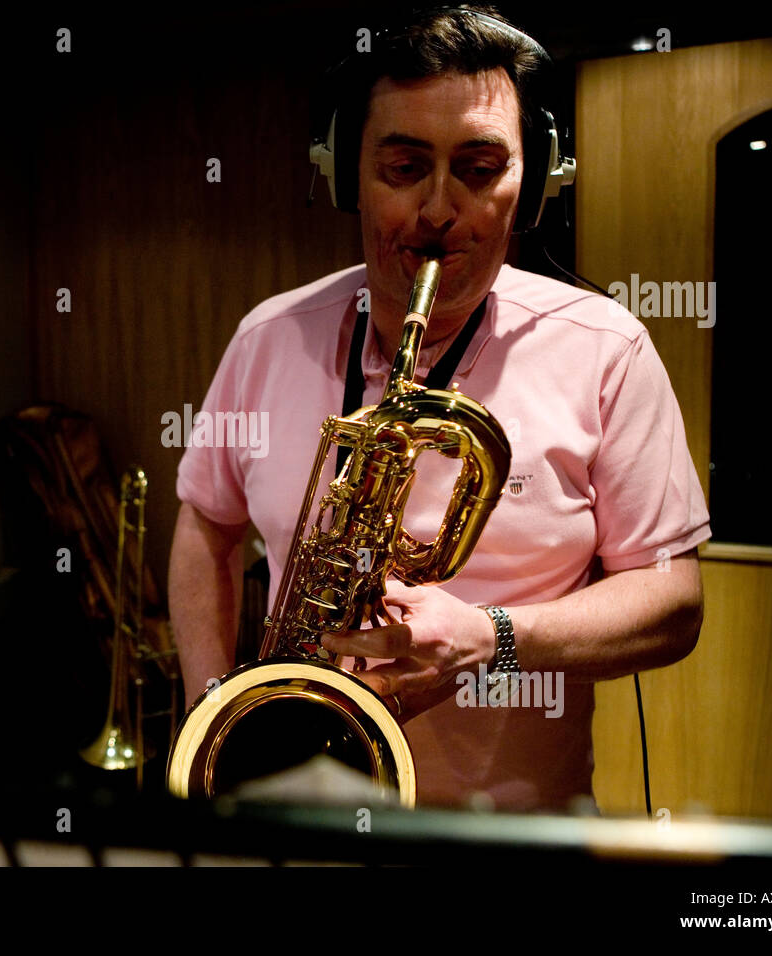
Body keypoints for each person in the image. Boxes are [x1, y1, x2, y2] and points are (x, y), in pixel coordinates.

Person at [169, 5, 710, 812]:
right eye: (404, 168)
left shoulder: (608, 348)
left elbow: (673, 604)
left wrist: (493, 639)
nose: (438, 213)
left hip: (517, 837)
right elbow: (204, 527)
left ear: (534, 186)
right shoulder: (266, 337)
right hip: (295, 815)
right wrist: (215, 713)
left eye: (480, 169)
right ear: (343, 174)